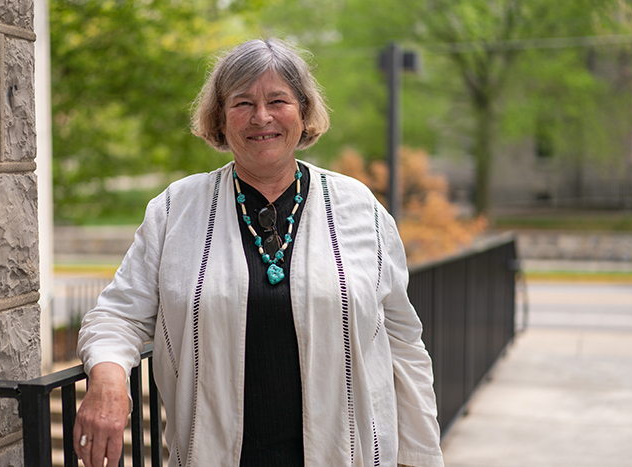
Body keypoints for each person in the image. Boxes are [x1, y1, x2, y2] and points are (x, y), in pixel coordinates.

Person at [73, 37, 444, 467]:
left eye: (278, 100)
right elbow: (117, 315)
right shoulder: (176, 209)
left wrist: (419, 457)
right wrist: (108, 379)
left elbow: (403, 343)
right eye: (243, 103)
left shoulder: (359, 208)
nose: (261, 117)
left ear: (304, 113)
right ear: (220, 119)